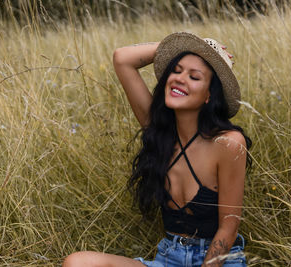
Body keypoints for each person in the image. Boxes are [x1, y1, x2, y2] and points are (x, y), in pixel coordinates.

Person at [63, 32, 252, 267]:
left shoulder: (228, 143)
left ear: (209, 95)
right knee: (77, 262)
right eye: (176, 70)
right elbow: (122, 59)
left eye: (194, 76)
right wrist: (186, 44)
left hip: (217, 261)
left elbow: (229, 226)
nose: (179, 79)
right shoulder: (159, 132)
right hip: (169, 258)